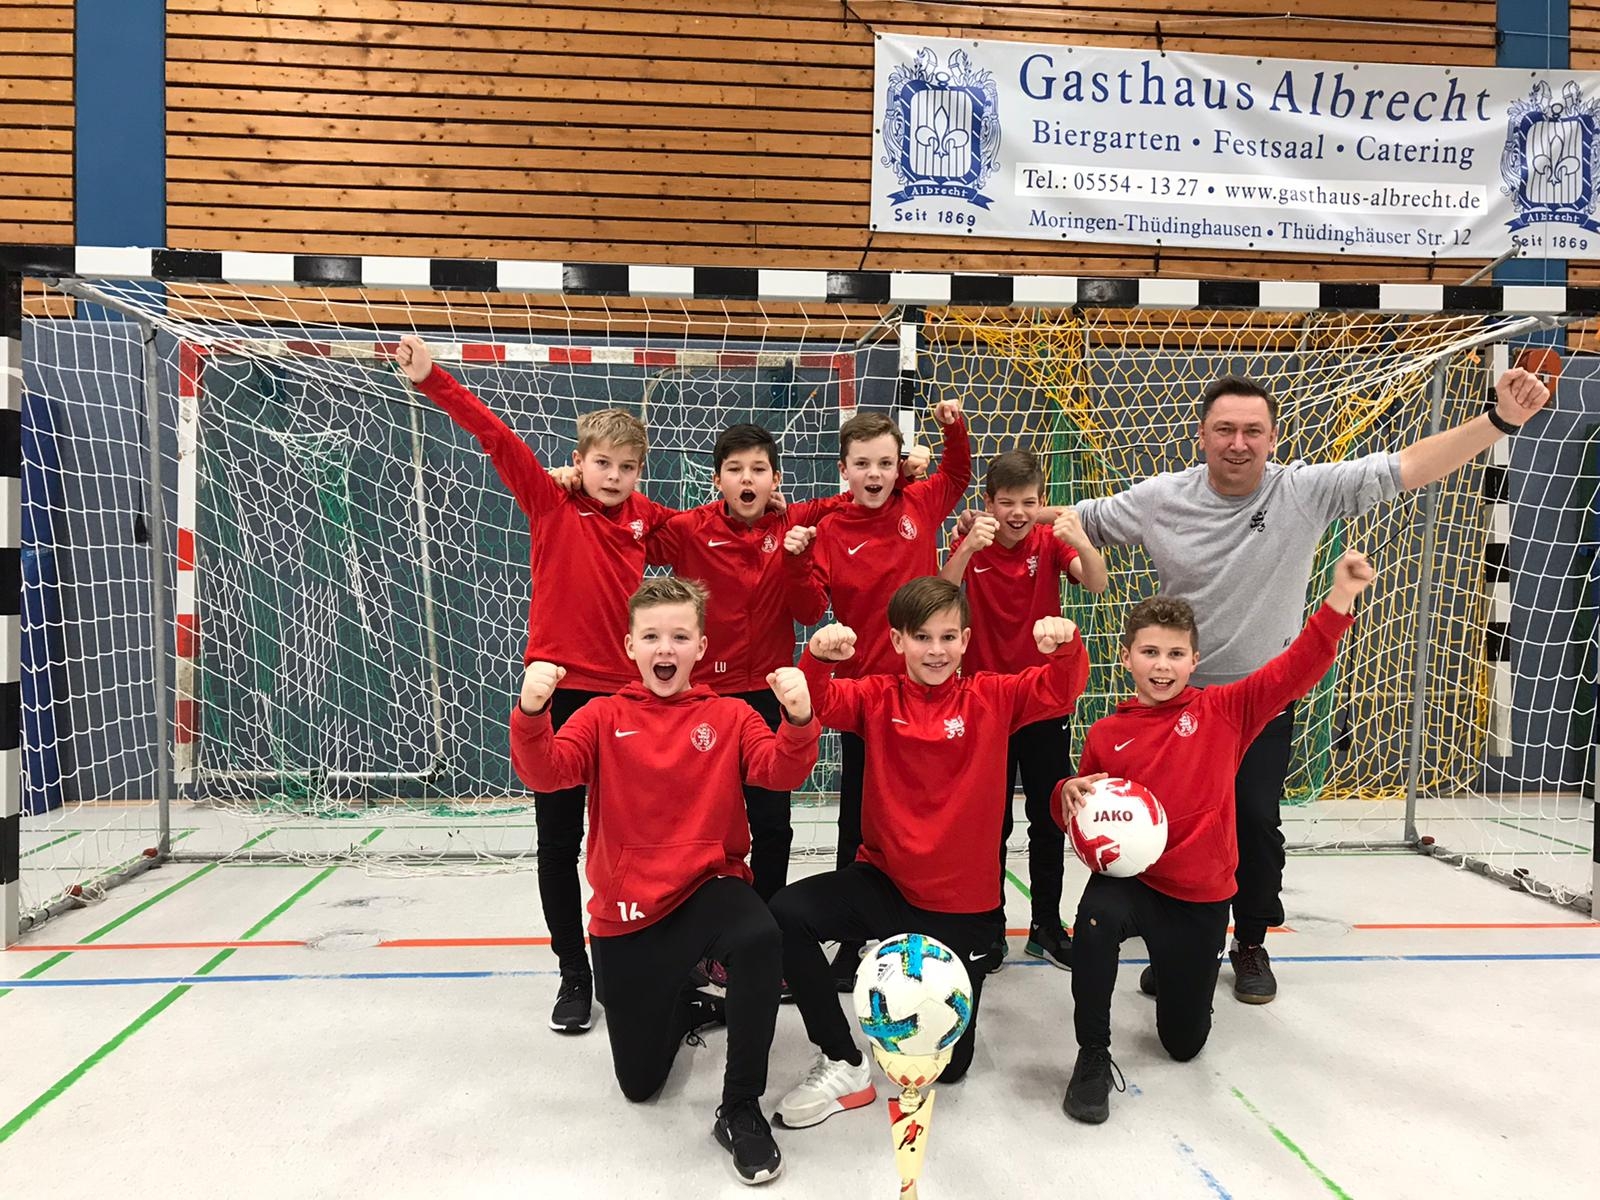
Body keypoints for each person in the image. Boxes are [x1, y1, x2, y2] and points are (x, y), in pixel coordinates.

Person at [1069, 367, 1550, 1002]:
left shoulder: (1302, 490)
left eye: (1252, 431)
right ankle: (1181, 943)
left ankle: (1250, 942)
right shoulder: (1160, 498)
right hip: (1174, 703)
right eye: (1224, 430)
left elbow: (1410, 466)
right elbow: (1072, 520)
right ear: (1201, 436)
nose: (1238, 442)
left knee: (1254, 822)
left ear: (1273, 438)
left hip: (1259, 701)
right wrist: (991, 518)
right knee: (1172, 826)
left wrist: (1500, 421)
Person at [396, 334, 676, 1035]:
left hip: (626, 700)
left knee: (634, 837)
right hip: (556, 697)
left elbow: (715, 533)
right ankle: (573, 974)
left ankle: (637, 956)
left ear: (640, 473)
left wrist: (783, 518)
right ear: (579, 462)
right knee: (558, 840)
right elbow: (496, 436)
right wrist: (433, 379)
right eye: (602, 463)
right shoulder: (550, 501)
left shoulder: (647, 520)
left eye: (627, 467)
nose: (613, 476)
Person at [510, 576, 819, 1185]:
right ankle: (685, 1003)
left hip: (708, 889)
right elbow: (548, 773)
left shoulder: (730, 714)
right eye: (651, 636)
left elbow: (780, 771)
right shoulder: (600, 716)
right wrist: (532, 714)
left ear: (701, 646)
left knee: (760, 934)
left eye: (679, 636)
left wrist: (800, 718)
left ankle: (739, 1108)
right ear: (630, 646)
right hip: (629, 911)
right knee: (639, 1085)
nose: (665, 648)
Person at [1051, 550, 1375, 1125]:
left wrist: (1341, 598)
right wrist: (1065, 793)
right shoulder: (1106, 732)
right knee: (1096, 916)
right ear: (1126, 657)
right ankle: (1092, 1054)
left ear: (1195, 660)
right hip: (1133, 887)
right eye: (1150, 652)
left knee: (1183, 1045)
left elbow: (1295, 668)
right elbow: (1082, 812)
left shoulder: (1224, 711)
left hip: (1198, 896)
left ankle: (1176, 970)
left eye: (1175, 654)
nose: (1162, 666)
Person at [768, 576, 1088, 1128]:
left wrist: (1066, 645)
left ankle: (910, 980)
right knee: (785, 915)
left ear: (965, 640)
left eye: (947, 637)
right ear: (897, 641)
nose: (935, 650)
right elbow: (818, 701)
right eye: (921, 637)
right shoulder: (877, 696)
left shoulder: (993, 696)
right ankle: (842, 1059)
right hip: (885, 882)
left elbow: (1061, 689)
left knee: (949, 1068)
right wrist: (817, 658)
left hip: (961, 906)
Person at [786, 401, 972, 986]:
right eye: (862, 463)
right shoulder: (830, 529)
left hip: (933, 692)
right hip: (866, 700)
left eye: (885, 463)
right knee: (860, 820)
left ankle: (954, 927)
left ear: (899, 467)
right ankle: (851, 941)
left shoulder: (920, 503)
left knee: (937, 814)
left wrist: (952, 428)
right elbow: (808, 609)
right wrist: (797, 564)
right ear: (843, 469)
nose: (874, 473)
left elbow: (958, 475)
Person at [941, 449, 1109, 972]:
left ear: (1041, 503)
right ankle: (988, 927)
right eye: (1007, 502)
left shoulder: (1049, 540)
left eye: (1028, 502)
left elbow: (1098, 582)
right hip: (984, 703)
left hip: (1042, 701)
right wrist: (966, 546)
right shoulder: (973, 540)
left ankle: (1045, 926)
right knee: (988, 823)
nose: (1017, 512)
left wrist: (1082, 539)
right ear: (988, 502)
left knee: (1048, 817)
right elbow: (939, 595)